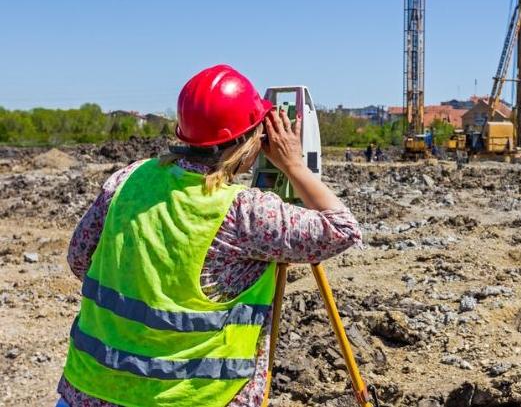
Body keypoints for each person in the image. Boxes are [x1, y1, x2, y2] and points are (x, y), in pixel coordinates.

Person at [56, 65, 362, 407]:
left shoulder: (128, 179)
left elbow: (81, 259)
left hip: (88, 389)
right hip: (191, 398)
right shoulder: (244, 213)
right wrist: (295, 167)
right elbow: (343, 229)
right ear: (250, 140)